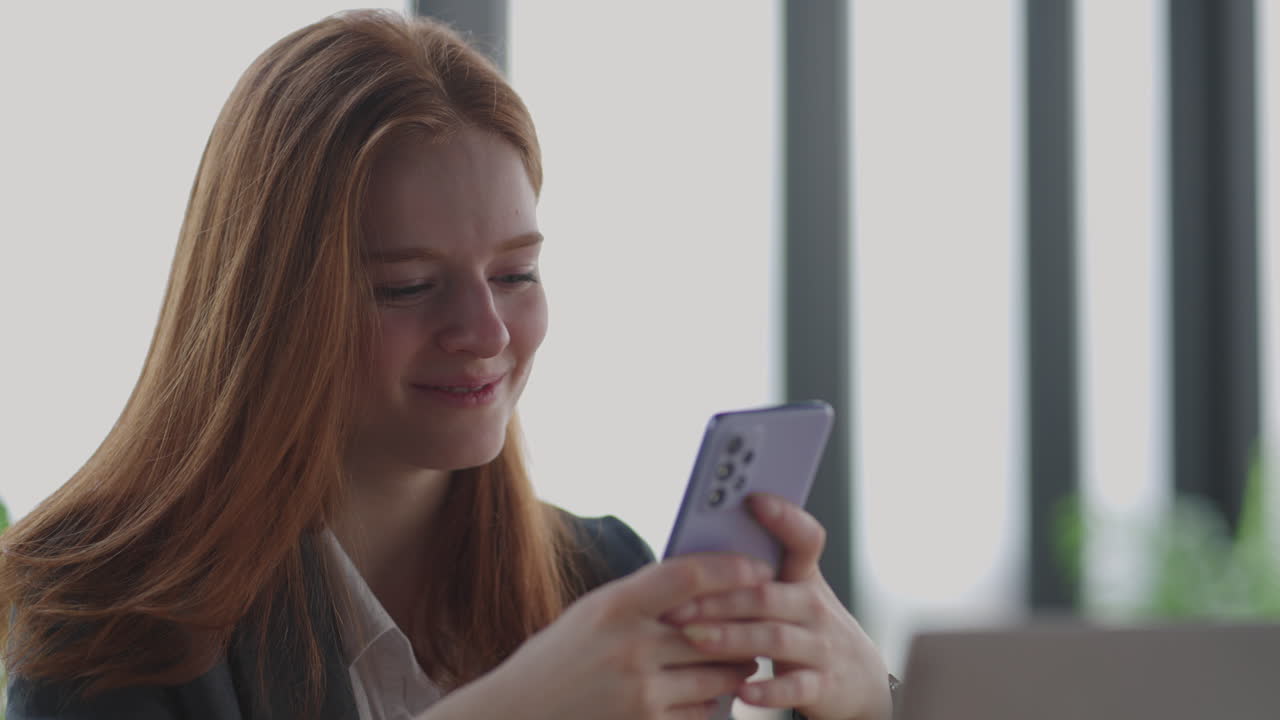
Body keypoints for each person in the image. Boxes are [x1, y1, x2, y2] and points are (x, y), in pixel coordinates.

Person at [0, 10, 894, 720]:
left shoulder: (602, 577)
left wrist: (863, 710)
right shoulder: (106, 621)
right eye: (409, 286)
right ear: (272, 306)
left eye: (517, 273)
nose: (486, 332)